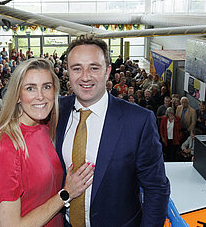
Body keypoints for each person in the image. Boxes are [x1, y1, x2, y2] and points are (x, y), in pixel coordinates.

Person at [57, 35, 170, 227]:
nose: (85, 76)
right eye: (77, 68)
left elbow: (156, 189)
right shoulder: (56, 112)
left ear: (108, 71)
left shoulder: (138, 120)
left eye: (94, 67)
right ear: (67, 71)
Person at [0, 58, 93, 227]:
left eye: (46, 87)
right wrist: (66, 193)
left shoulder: (47, 128)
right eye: (30, 88)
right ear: (17, 96)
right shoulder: (5, 145)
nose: (41, 96)